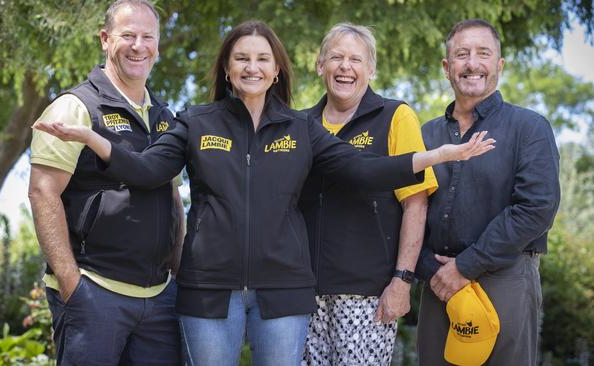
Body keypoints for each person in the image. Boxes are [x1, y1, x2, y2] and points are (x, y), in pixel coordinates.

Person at [34, 20, 494, 366]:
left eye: (261, 59)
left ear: (276, 70)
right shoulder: (196, 121)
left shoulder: (302, 129)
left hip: (283, 295)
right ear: (228, 70)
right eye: (241, 59)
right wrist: (95, 140)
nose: (251, 67)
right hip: (209, 293)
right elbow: (149, 169)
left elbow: (364, 170)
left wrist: (438, 156)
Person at [27, 1, 183, 364]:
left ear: (158, 46)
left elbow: (173, 196)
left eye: (148, 37)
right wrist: (72, 285)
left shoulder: (165, 117)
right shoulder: (76, 107)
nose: (138, 46)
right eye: (127, 35)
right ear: (104, 39)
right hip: (94, 294)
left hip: (159, 298)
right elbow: (41, 192)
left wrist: (177, 271)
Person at [415, 19, 560, 365]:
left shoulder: (530, 127)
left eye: (483, 53)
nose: (472, 63)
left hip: (505, 278)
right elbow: (407, 208)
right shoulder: (425, 135)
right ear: (447, 67)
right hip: (438, 282)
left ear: (499, 65)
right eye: (462, 54)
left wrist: (465, 266)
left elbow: (537, 208)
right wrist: (430, 270)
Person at [299, 23, 438, 366]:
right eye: (336, 57)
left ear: (371, 69)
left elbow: (416, 203)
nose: (346, 67)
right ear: (320, 65)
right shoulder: (299, 125)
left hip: (368, 295)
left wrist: (402, 280)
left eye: (356, 59)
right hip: (302, 294)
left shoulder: (395, 116)